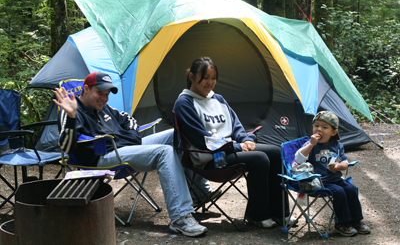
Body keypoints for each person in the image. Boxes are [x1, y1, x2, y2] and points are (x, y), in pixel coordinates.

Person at [53, 71, 207, 237]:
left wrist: (131, 137)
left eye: (106, 94)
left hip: (125, 148)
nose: (103, 99)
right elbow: (66, 148)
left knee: (177, 133)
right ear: (86, 89)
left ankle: (199, 193)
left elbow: (129, 120)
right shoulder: (72, 109)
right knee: (165, 152)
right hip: (101, 157)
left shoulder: (106, 109)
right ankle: (180, 217)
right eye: (99, 93)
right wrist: (71, 117)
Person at [173, 56, 289, 228]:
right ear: (192, 77)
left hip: (231, 151)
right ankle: (257, 215)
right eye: (205, 78)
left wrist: (246, 140)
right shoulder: (184, 103)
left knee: (277, 152)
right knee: (260, 159)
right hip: (209, 159)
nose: (210, 83)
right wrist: (236, 146)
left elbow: (236, 126)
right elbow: (202, 140)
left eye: (213, 78)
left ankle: (280, 214)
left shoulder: (218, 99)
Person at [295, 110, 371, 237]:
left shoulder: (337, 145)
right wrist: (311, 145)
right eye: (316, 126)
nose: (319, 129)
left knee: (352, 189)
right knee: (339, 192)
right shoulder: (310, 144)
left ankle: (356, 220)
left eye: (324, 127)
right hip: (319, 182)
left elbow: (345, 162)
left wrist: (339, 166)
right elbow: (298, 158)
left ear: (334, 132)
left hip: (335, 178)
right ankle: (342, 223)